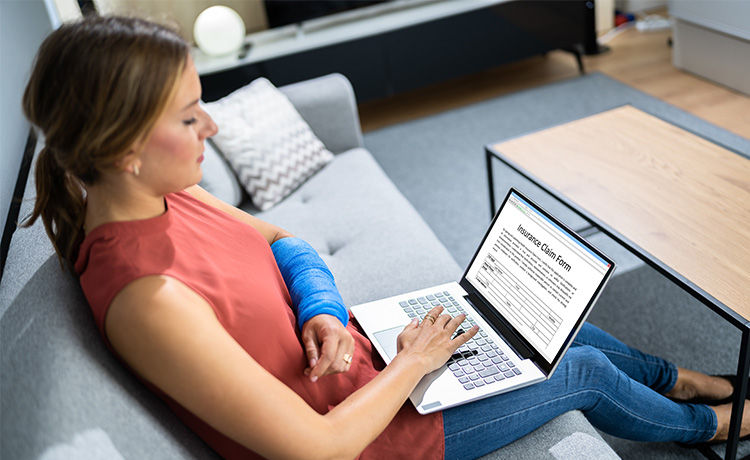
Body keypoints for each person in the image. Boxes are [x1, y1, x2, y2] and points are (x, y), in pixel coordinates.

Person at [22, 15, 749, 460]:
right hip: (378, 438)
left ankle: (684, 378)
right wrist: (415, 362)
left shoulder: (162, 196)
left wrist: (322, 313)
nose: (210, 126)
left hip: (369, 366)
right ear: (122, 147)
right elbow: (318, 448)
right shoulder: (151, 300)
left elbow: (287, 241)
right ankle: (711, 424)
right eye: (188, 118)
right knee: (579, 371)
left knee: (547, 324)